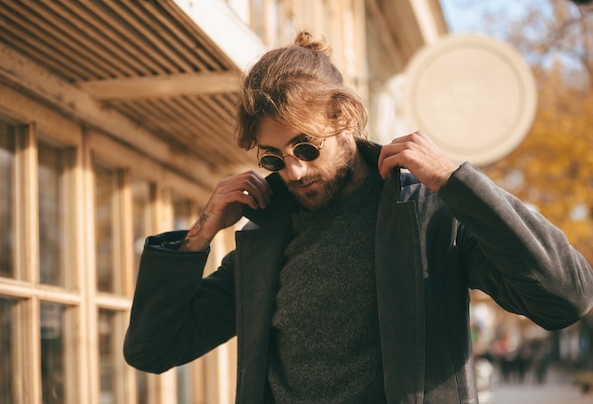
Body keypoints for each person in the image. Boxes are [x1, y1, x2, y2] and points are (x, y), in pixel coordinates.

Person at [123, 31, 593, 404]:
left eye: (306, 146)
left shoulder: (430, 215)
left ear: (345, 117)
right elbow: (154, 348)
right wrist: (199, 236)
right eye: (273, 158)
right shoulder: (266, 239)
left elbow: (566, 297)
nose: (294, 170)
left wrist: (456, 181)